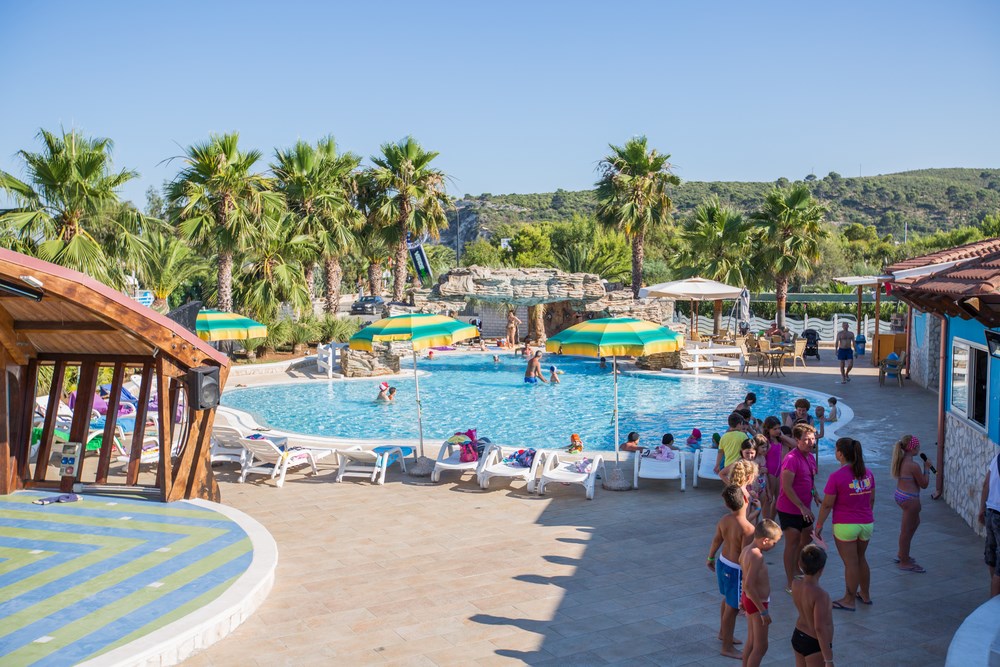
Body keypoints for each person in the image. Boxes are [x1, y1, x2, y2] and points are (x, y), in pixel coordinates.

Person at [814, 438, 875, 610]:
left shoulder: (837, 477)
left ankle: (848, 599)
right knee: (861, 558)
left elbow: (827, 505)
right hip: (866, 524)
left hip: (845, 525)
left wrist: (818, 526)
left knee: (851, 563)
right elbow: (871, 499)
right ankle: (865, 594)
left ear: (840, 454)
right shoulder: (868, 473)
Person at [707, 485, 755, 659]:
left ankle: (723, 633)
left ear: (727, 505)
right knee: (733, 607)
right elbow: (745, 557)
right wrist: (749, 580)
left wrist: (710, 557)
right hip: (736, 570)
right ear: (746, 500)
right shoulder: (749, 529)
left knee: (727, 600)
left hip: (722, 562)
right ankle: (726, 647)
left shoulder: (725, 520)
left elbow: (717, 539)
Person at [778, 423, 822, 592]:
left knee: (808, 537)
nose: (811, 442)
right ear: (797, 440)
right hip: (790, 508)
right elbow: (787, 487)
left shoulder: (810, 457)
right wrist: (802, 507)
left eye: (812, 438)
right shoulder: (791, 459)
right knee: (792, 542)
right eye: (806, 439)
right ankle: (790, 582)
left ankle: (797, 566)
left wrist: (815, 493)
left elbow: (809, 479)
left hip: (805, 507)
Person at [740, 519, 783, 667]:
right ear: (765, 540)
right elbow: (749, 585)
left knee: (751, 642)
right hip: (757, 602)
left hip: (749, 599)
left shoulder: (746, 550)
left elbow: (744, 578)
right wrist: (763, 611)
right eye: (774, 542)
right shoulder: (757, 556)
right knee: (761, 646)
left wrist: (742, 599)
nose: (775, 545)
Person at [891, 434, 930, 573]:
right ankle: (904, 561)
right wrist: (927, 469)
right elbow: (924, 484)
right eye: (918, 446)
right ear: (913, 448)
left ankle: (903, 553)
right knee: (906, 532)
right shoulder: (913, 466)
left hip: (901, 495)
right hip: (910, 499)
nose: (920, 448)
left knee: (915, 523)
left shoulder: (900, 460)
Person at [791, 545, 835, 666]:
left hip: (798, 635)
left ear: (800, 564)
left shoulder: (795, 584)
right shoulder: (820, 595)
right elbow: (819, 628)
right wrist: (828, 659)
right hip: (814, 642)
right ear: (822, 569)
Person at [979, 447, 1000, 598]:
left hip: (990, 512)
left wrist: (981, 509)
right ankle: (995, 599)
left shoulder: (997, 459)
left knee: (991, 553)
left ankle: (994, 586)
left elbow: (986, 483)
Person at [722, 457, 761, 524]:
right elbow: (745, 519)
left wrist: (753, 497)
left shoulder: (736, 490)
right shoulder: (744, 494)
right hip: (746, 530)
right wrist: (758, 509)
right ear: (749, 477)